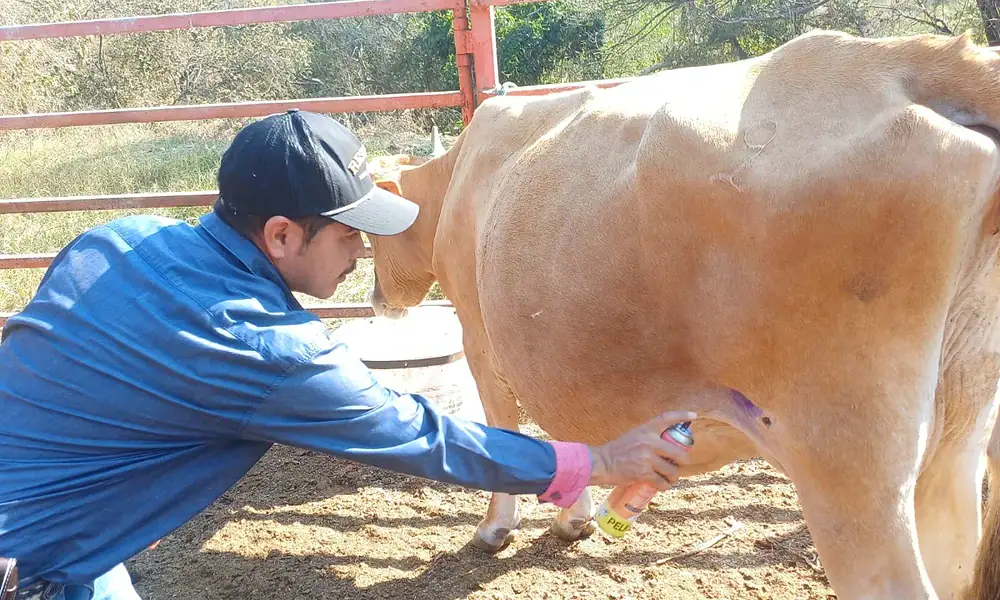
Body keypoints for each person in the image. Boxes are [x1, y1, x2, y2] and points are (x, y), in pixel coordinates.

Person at [0, 110, 700, 600]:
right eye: (347, 236)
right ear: (280, 236)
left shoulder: (116, 239)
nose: (364, 253)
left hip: (62, 544)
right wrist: (598, 462)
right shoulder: (262, 348)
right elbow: (420, 437)